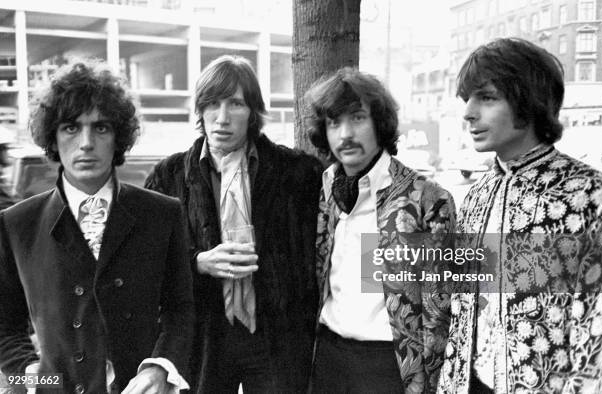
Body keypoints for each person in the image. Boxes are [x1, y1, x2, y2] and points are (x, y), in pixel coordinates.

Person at [0, 60, 194, 394]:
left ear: (118, 136)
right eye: (71, 127)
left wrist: (161, 370)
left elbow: (182, 311)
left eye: (100, 127)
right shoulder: (17, 223)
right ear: (53, 136)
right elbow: (4, 326)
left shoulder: (162, 213)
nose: (86, 142)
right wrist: (31, 380)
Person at [437, 38, 602, 393]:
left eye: (487, 97)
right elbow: (463, 310)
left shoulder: (591, 197)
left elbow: (600, 338)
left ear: (528, 101)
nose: (469, 113)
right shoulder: (476, 195)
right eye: (467, 99)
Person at [145, 55, 322, 393]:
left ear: (253, 112)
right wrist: (197, 261)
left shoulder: (298, 174)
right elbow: (148, 262)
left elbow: (323, 256)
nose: (222, 118)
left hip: (277, 337)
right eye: (212, 104)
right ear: (200, 110)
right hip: (205, 335)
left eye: (235, 104)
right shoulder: (169, 177)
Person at [306, 67, 456, 393]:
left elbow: (438, 308)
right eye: (334, 123)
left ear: (379, 123)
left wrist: (423, 382)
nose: (345, 133)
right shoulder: (327, 187)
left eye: (357, 118)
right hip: (329, 356)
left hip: (387, 365)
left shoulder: (427, 198)